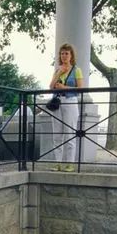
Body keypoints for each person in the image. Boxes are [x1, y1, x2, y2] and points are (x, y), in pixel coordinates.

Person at [48, 43, 84, 171]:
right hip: (58, 102)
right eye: (62, 53)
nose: (64, 56)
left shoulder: (76, 70)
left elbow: (80, 89)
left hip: (70, 101)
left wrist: (65, 88)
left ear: (71, 55)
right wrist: (59, 73)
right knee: (57, 133)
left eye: (66, 53)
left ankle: (70, 163)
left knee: (69, 133)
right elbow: (51, 86)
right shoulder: (58, 70)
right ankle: (57, 162)